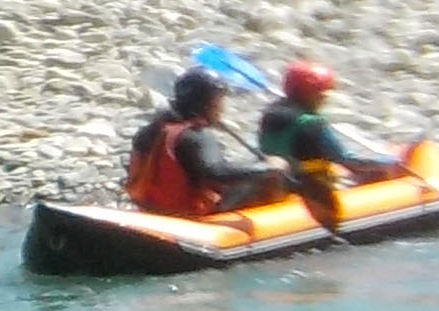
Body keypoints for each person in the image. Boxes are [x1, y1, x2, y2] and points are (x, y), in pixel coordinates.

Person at [125, 66, 298, 217]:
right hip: (189, 213)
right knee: (268, 176)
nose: (222, 108)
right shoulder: (196, 136)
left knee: (249, 166)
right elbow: (217, 173)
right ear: (207, 104)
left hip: (151, 208)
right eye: (219, 100)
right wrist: (269, 168)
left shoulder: (151, 130)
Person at [256, 59, 399, 182]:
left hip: (280, 178)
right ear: (311, 94)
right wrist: (391, 162)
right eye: (322, 94)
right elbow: (345, 160)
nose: (325, 99)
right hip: (308, 184)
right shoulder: (311, 124)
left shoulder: (270, 113)